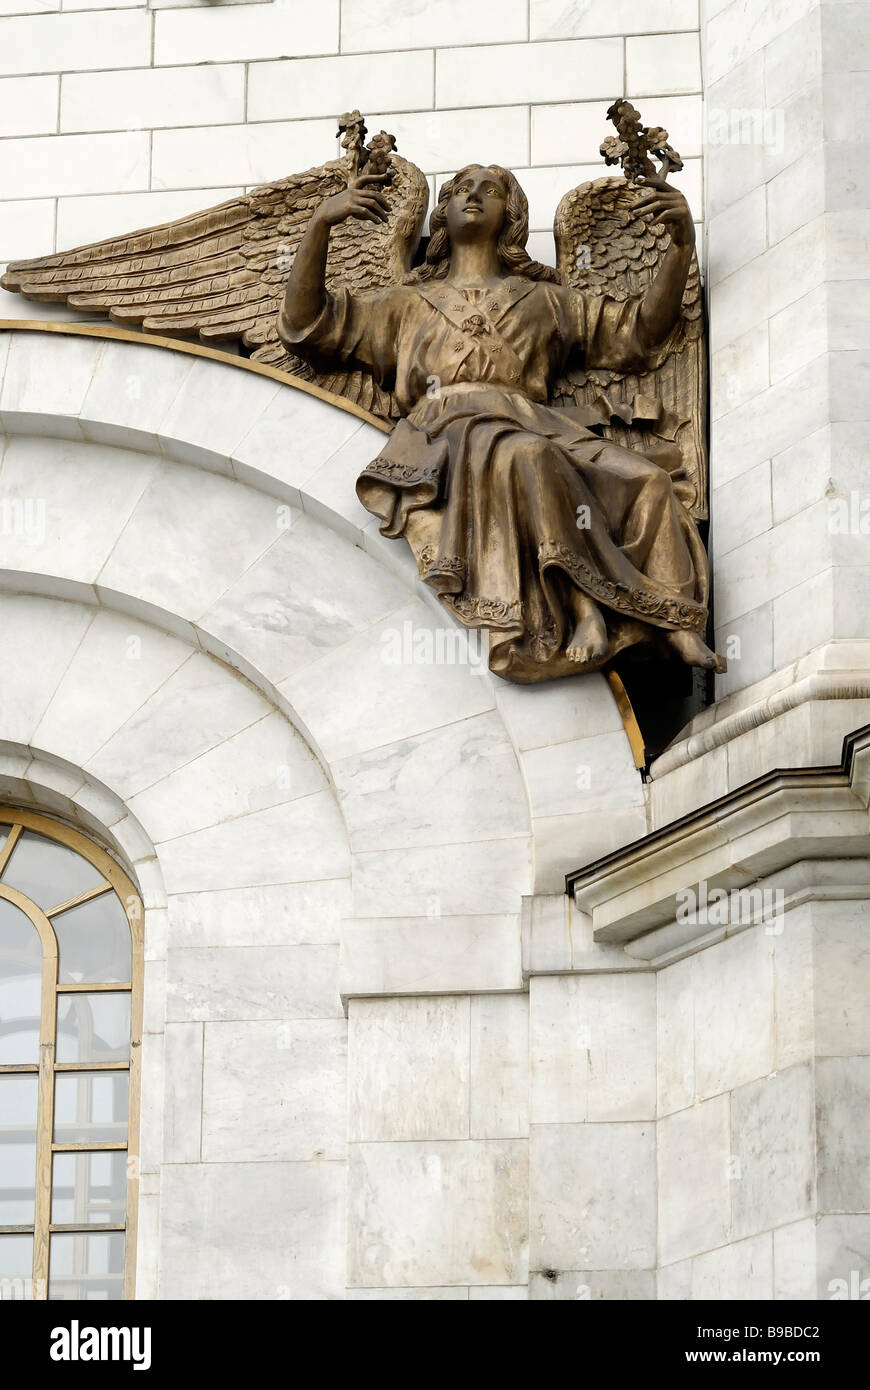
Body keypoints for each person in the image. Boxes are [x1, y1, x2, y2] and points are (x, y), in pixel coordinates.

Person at [278, 162, 724, 681]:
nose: (473, 196)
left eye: (489, 190)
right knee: (528, 455)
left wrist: (679, 247)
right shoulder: (403, 303)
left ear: (509, 215)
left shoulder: (546, 300)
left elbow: (639, 334)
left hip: (532, 419)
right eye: (461, 189)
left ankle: (674, 617)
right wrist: (320, 227)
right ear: (441, 212)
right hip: (448, 433)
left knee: (647, 479)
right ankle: (581, 609)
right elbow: (307, 327)